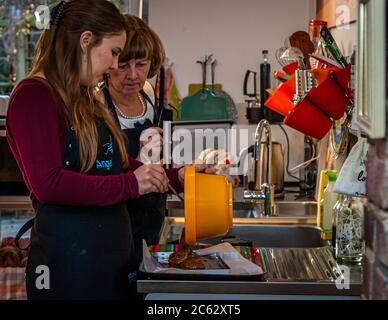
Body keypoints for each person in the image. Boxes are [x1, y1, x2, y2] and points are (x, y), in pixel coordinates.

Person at [6, 0, 184, 300]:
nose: (115, 65)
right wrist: (131, 185)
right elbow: (49, 184)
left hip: (112, 261)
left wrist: (178, 176)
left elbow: (117, 162)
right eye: (114, 53)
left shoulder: (83, 98)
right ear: (86, 41)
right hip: (69, 265)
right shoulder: (34, 96)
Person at [100, 15, 169, 268]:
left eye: (141, 64)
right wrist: (139, 160)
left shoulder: (149, 95)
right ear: (108, 62)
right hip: (113, 229)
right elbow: (97, 175)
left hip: (152, 222)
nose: (133, 75)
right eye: (122, 65)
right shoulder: (96, 104)